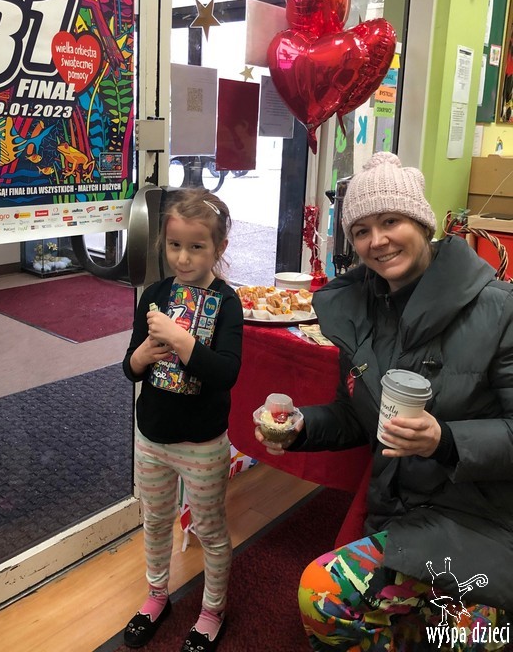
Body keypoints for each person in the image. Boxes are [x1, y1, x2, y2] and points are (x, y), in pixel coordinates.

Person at [255, 152, 513, 651]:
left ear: (422, 223)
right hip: (401, 514)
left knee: (463, 635)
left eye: (391, 221)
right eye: (361, 230)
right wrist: (301, 425)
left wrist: (445, 440)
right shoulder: (361, 310)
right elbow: (356, 415)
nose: (377, 240)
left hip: (481, 520)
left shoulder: (500, 311)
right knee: (324, 596)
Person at [122, 186, 243, 652]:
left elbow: (226, 373)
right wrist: (141, 356)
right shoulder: (155, 295)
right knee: (155, 521)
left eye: (196, 246)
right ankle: (157, 595)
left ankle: (213, 609)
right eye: (175, 245)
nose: (184, 258)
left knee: (209, 530)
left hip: (202, 442)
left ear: (219, 247)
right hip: (153, 436)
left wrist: (181, 340)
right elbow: (130, 368)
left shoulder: (226, 303)